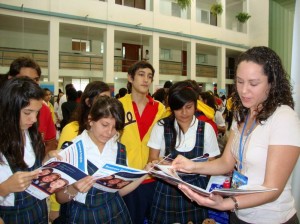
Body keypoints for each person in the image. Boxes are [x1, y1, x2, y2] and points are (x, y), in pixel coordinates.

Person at [172, 46, 300, 224]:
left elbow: (272, 189)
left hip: (272, 218)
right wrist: (191, 166)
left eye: (253, 83)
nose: (244, 90)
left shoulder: (284, 118)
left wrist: (226, 204)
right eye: (240, 82)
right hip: (239, 214)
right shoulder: (242, 114)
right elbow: (226, 162)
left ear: (272, 83)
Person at [55, 96, 150, 223]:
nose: (109, 132)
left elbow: (118, 191)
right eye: (104, 124)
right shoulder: (72, 149)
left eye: (115, 127)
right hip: (84, 216)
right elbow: (60, 198)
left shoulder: (120, 149)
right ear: (91, 120)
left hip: (115, 212)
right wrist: (74, 188)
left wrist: (145, 172)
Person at [147, 81, 220, 224]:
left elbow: (213, 163)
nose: (184, 113)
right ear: (172, 108)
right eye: (179, 108)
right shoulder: (161, 126)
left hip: (196, 190)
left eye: (189, 107)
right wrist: (164, 164)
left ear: (195, 105)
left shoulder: (206, 129)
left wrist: (194, 166)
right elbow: (152, 159)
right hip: (167, 189)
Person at [50, 80, 111, 223]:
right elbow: (58, 170)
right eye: (102, 99)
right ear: (89, 102)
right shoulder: (72, 129)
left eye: (109, 99)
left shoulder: (110, 131)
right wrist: (54, 206)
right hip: (74, 202)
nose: (106, 103)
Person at [0, 77, 59, 223]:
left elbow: (34, 167)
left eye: (37, 112)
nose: (33, 119)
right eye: (27, 113)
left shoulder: (31, 133)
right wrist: (5, 188)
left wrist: (46, 160)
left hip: (38, 210)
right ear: (9, 108)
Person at [119, 60, 165, 224]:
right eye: (141, 75)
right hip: (126, 179)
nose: (146, 80)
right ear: (130, 78)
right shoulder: (118, 105)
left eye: (149, 76)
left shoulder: (159, 108)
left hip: (153, 178)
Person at [6, 57, 57, 154]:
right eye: (26, 79)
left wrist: (42, 162)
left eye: (36, 79)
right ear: (11, 80)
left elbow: (50, 142)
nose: (32, 84)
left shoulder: (44, 109)